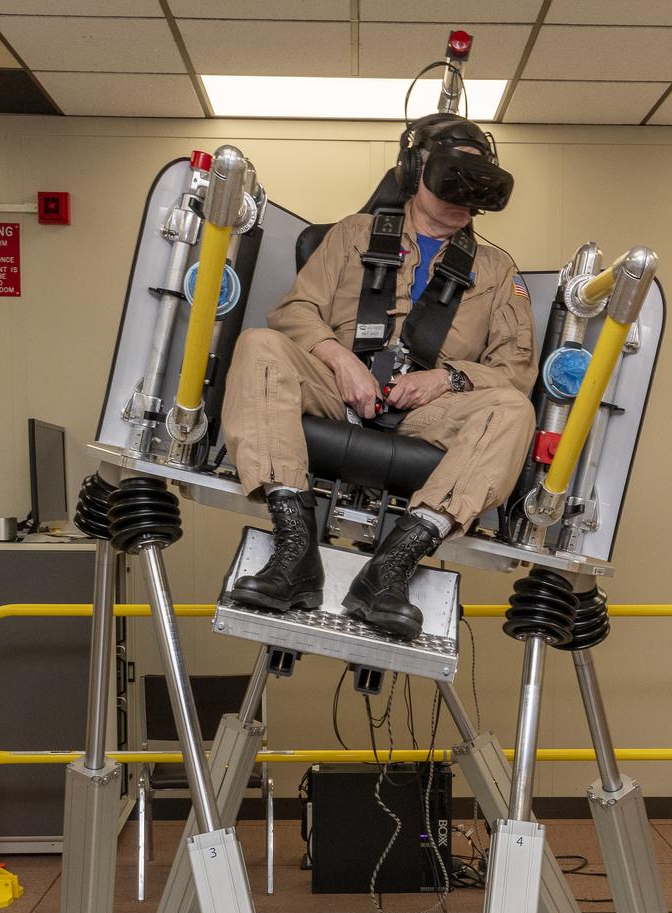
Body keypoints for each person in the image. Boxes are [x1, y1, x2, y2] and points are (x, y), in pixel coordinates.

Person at [220, 113, 537, 640]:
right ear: (415, 172)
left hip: (428, 413)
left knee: (511, 409)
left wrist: (447, 379)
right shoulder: (351, 235)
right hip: (333, 389)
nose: (462, 195)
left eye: (476, 184)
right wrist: (340, 361)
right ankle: (294, 552)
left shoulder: (498, 272)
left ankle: (390, 569)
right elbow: (296, 310)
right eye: (450, 176)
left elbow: (514, 373)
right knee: (260, 345)